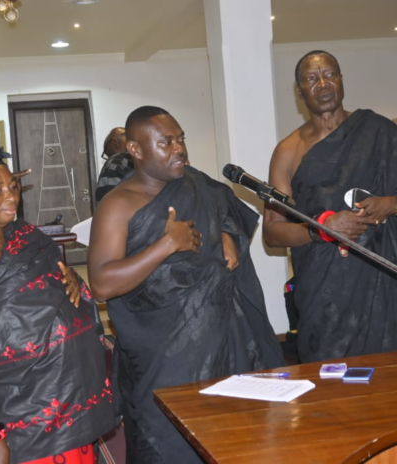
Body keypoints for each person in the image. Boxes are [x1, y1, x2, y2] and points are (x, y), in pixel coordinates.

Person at [88, 106, 283, 463]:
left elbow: (227, 209)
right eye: (166, 142)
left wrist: (226, 233)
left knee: (233, 442)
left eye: (181, 139)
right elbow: (101, 283)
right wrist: (165, 245)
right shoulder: (118, 205)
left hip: (224, 344)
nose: (179, 149)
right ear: (135, 149)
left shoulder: (197, 184)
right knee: (168, 447)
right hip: (163, 359)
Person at [263, 50, 397, 363]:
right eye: (312, 79)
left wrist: (396, 203)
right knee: (333, 379)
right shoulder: (287, 151)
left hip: (388, 279)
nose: (323, 84)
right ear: (299, 92)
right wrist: (319, 230)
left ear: (341, 80)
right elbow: (272, 233)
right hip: (327, 291)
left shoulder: (378, 130)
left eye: (329, 74)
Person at [0, 144, 114, 464]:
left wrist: (71, 279)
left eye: (13, 187)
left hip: (65, 405)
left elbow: (49, 286)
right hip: (21, 419)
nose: (11, 197)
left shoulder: (24, 235)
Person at [95, 127, 133, 203]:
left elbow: (107, 204)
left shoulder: (115, 161)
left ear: (115, 143)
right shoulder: (144, 159)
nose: (108, 158)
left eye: (107, 153)